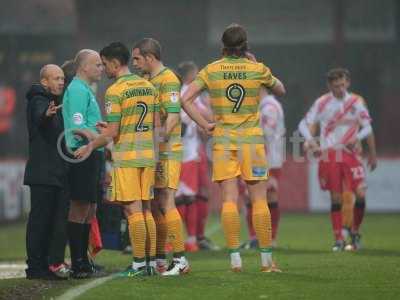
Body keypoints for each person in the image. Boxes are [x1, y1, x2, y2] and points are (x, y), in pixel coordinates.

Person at [181, 24, 286, 272]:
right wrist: (258, 64)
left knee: (229, 199)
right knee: (259, 200)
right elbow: (280, 89)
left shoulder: (212, 70)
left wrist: (205, 124)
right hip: (251, 141)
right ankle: (266, 260)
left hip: (224, 140)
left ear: (223, 46)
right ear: (246, 45)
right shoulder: (256, 69)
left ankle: (235, 260)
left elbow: (185, 99)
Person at [75, 42, 160, 276]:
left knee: (132, 212)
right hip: (147, 156)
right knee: (146, 211)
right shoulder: (148, 86)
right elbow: (153, 125)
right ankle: (151, 263)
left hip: (128, 158)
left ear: (114, 63)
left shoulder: (115, 91)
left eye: (104, 64)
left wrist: (92, 144)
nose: (104, 69)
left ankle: (139, 264)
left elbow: (112, 134)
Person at [299, 67, 377, 251]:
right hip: (330, 154)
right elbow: (303, 123)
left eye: (342, 85)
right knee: (335, 198)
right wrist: (310, 141)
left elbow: (367, 127)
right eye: (336, 86)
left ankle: (355, 232)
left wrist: (358, 139)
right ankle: (338, 239)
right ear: (329, 86)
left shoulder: (356, 102)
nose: (340, 89)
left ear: (347, 83)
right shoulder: (322, 102)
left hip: (351, 155)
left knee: (360, 193)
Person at [132, 38, 190, 275]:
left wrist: (160, 140)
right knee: (155, 205)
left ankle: (180, 259)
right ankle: (159, 259)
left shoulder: (168, 79)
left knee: (166, 200)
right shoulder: (147, 81)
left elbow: (174, 114)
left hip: (167, 152)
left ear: (149, 57)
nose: (134, 64)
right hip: (151, 152)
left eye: (137, 59)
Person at [24, 64, 70, 279]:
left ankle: (44, 266)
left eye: (62, 78)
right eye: (56, 78)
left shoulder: (53, 101)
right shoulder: (39, 100)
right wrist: (46, 115)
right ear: (44, 82)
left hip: (53, 172)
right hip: (43, 173)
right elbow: (38, 116)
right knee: (40, 222)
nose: (61, 81)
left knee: (50, 221)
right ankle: (35, 267)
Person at [62, 49, 104, 278]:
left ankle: (84, 261)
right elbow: (77, 126)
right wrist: (101, 138)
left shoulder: (85, 89)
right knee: (79, 207)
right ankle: (78, 263)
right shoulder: (77, 89)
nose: (101, 68)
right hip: (80, 153)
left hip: (91, 152)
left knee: (89, 208)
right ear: (84, 67)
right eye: (97, 64)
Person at [175, 61, 218, 252]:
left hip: (189, 151)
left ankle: (192, 238)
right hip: (186, 153)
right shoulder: (188, 93)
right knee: (186, 197)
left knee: (189, 196)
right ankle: (189, 239)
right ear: (190, 75)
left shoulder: (188, 93)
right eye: (197, 73)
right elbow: (206, 117)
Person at [242, 89, 286, 249]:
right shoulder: (262, 105)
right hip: (264, 157)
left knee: (259, 195)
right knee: (257, 196)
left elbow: (266, 133)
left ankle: (266, 238)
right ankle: (259, 238)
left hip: (267, 159)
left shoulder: (269, 107)